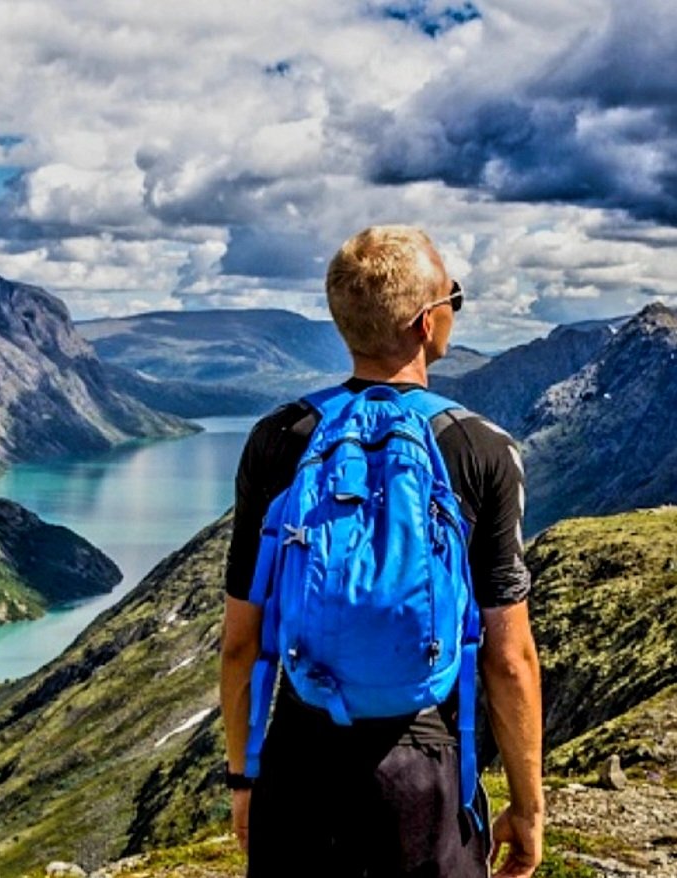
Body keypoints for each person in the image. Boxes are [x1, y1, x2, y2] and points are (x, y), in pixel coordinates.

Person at [219, 225, 544, 877]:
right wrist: (527, 807)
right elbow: (510, 660)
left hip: (300, 756)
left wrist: (245, 777)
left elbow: (241, 645)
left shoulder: (279, 438)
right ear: (428, 323)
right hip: (425, 765)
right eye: (454, 295)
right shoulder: (481, 448)